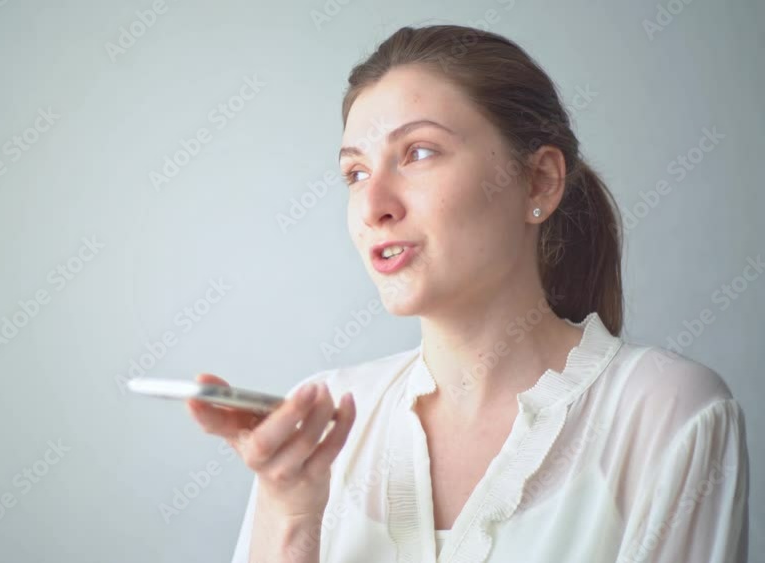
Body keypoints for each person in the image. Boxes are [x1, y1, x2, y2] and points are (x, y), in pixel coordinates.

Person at [186, 24, 749, 563]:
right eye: (355, 173)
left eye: (418, 153)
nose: (373, 206)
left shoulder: (667, 414)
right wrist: (290, 515)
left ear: (539, 181)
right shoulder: (321, 422)